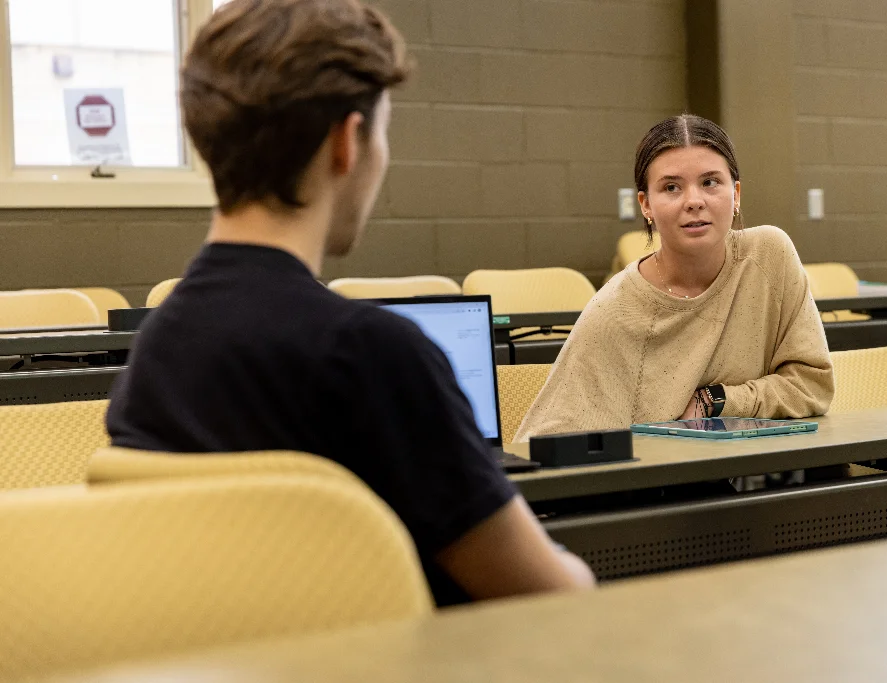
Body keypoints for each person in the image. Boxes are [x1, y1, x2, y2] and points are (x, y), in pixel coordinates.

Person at [106, 0, 593, 606]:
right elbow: (545, 593)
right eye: (384, 133)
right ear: (348, 142)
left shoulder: (155, 351)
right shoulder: (370, 354)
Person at [516, 114, 834, 440]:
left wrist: (715, 400)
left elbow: (811, 386)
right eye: (671, 187)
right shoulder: (614, 311)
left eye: (710, 182)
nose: (694, 201)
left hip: (761, 474)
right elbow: (544, 442)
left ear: (736, 194)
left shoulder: (769, 256)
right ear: (646, 205)